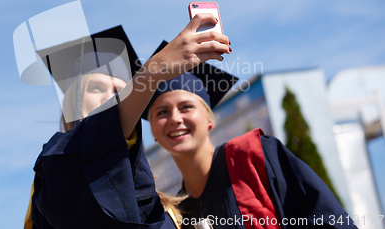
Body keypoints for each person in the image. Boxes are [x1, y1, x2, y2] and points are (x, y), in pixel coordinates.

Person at [20, 15, 232, 229]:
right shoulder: (52, 174)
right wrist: (153, 71)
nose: (111, 99)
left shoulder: (166, 207)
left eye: (121, 92)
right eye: (96, 88)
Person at [145, 42, 358, 229]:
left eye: (186, 107)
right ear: (154, 131)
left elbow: (329, 220)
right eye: (162, 112)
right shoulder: (176, 218)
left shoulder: (254, 157)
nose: (174, 118)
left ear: (210, 120)